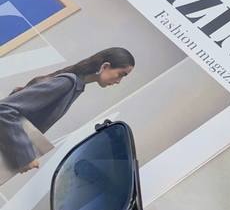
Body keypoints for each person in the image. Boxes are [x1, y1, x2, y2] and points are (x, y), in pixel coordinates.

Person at [0, 47, 135, 174]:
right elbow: (5, 109)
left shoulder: (74, 85)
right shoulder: (67, 83)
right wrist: (26, 156)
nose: (119, 81)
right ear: (105, 66)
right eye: (121, 74)